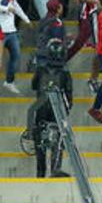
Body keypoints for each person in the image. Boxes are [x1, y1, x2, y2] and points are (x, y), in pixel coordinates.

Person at [28, 38, 73, 177]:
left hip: (40, 111)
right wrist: (65, 111)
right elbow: (69, 97)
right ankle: (55, 168)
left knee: (39, 141)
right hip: (57, 112)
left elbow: (34, 86)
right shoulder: (65, 73)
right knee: (58, 140)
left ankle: (40, 173)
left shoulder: (41, 70)